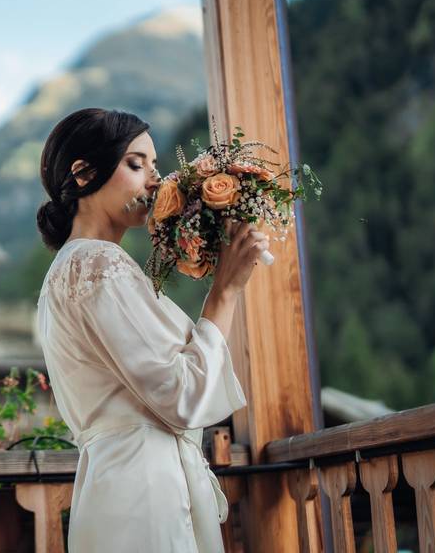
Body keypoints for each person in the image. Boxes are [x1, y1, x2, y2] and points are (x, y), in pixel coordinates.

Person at [35, 108, 268, 552]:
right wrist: (225, 291)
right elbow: (179, 396)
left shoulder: (69, 269)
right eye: (135, 164)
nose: (155, 181)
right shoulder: (98, 264)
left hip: (115, 480)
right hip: (144, 487)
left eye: (155, 166)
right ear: (83, 174)